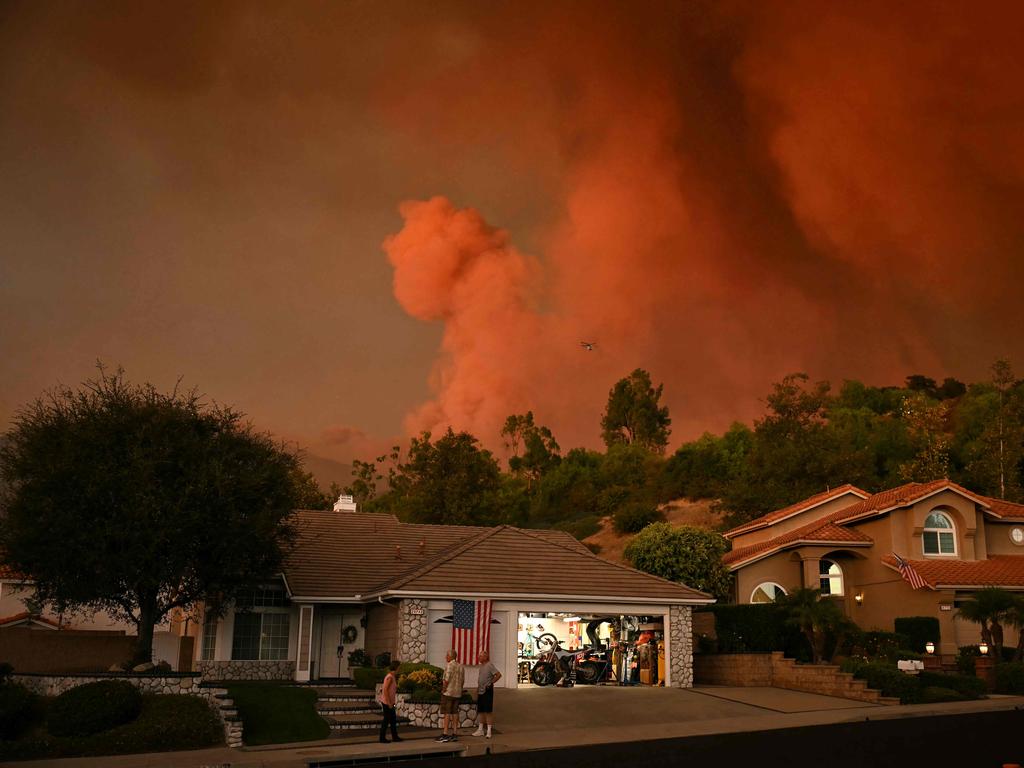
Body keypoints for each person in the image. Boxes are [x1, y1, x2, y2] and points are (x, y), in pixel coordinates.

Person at [436, 649, 464, 743]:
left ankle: (445, 734)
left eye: (446, 655)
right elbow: (462, 681)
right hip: (457, 693)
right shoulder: (461, 666)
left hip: (448, 693)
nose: (445, 657)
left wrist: (443, 689)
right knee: (455, 712)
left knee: (447, 712)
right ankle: (455, 733)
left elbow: (446, 680)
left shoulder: (449, 666)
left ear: (450, 656)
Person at [471, 650, 501, 739]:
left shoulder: (489, 665)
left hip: (487, 691)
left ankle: (488, 731)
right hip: (480, 691)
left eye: (480, 656)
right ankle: (480, 730)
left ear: (485, 657)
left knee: (488, 711)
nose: (478, 657)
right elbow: (480, 679)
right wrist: (477, 690)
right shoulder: (481, 666)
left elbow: (498, 675)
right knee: (481, 711)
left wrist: (491, 683)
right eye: (478, 656)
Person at [378, 660, 402, 743]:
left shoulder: (392, 676)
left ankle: (395, 737)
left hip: (391, 702)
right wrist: (389, 703)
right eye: (399, 667)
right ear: (396, 667)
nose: (400, 669)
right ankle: (382, 738)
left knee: (393, 720)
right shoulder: (390, 677)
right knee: (386, 720)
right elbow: (385, 690)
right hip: (387, 703)